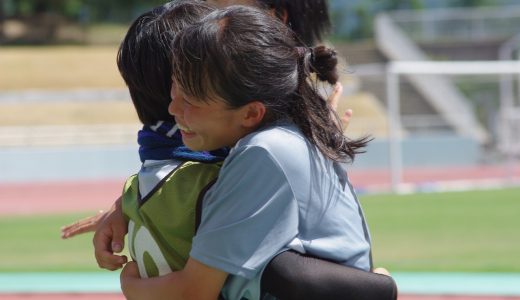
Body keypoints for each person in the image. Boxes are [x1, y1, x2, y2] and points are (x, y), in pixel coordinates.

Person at [61, 1, 396, 299]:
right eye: (174, 91)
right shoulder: (265, 139)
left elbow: (194, 291)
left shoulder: (263, 151)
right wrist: (123, 206)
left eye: (191, 99)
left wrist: (130, 285)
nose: (175, 110)